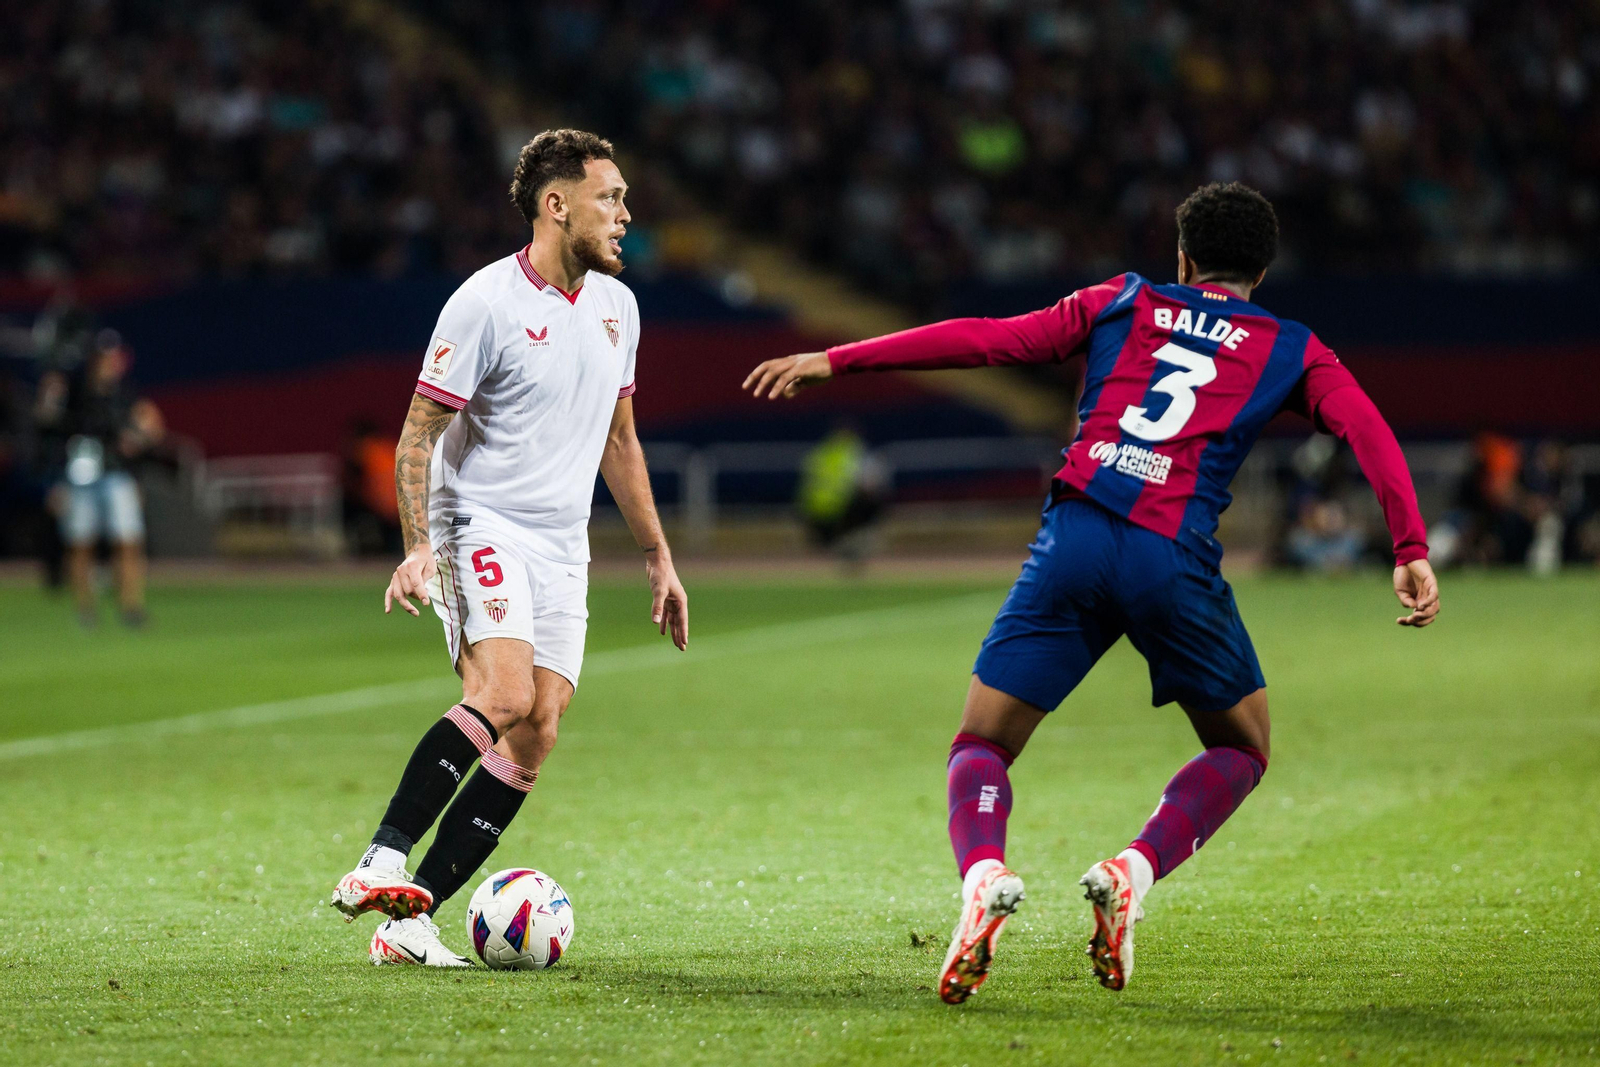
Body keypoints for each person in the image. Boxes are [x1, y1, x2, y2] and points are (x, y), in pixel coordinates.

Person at [743, 182, 1439, 1002]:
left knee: (982, 741)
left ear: (1182, 257)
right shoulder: (1292, 346)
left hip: (1075, 536)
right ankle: (1131, 871)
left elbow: (991, 339)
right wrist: (1409, 544)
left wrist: (837, 359)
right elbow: (1366, 427)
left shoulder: (1124, 299)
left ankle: (984, 874)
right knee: (1243, 746)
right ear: (1262, 270)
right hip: (1170, 556)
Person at [328, 130, 689, 966]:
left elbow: (621, 440)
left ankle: (409, 919)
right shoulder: (485, 303)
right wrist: (418, 545)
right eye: (609, 198)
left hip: (562, 543)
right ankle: (381, 858)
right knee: (504, 691)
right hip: (479, 521)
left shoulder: (618, 307)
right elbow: (419, 432)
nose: (625, 215)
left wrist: (658, 554)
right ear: (556, 206)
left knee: (539, 727)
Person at [35, 330, 163, 627]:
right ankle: (86, 609)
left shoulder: (125, 394)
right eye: (106, 357)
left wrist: (140, 440)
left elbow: (149, 430)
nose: (111, 363)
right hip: (79, 478)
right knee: (80, 543)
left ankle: (130, 607)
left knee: (128, 541)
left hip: (117, 475)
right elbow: (49, 429)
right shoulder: (73, 391)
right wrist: (55, 483)